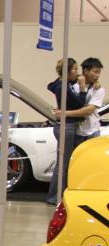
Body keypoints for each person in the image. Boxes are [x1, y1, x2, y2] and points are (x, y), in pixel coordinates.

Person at [46, 58, 88, 205]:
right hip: (67, 126)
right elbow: (80, 104)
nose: (77, 72)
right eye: (75, 69)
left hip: (67, 126)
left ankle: (57, 195)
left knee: (63, 163)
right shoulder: (62, 87)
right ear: (67, 71)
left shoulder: (61, 84)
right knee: (62, 164)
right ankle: (54, 197)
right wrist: (82, 88)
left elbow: (50, 85)